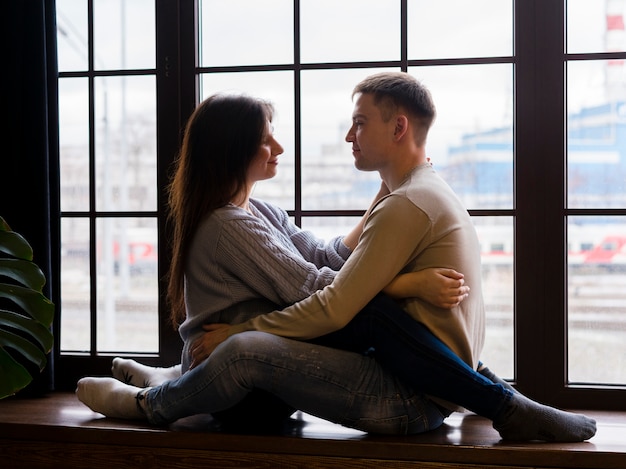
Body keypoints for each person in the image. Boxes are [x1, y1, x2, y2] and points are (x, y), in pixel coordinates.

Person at [78, 78, 596, 442]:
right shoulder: (226, 223)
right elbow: (313, 288)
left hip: (245, 366)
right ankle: (154, 401)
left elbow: (327, 256)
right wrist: (407, 283)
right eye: (266, 138)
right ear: (235, 151)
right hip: (234, 379)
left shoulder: (257, 208)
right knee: (355, 314)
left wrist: (386, 188)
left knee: (352, 311)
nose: (279, 146)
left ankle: (167, 378)